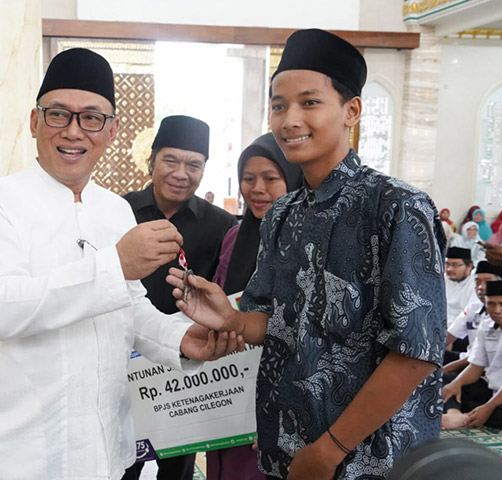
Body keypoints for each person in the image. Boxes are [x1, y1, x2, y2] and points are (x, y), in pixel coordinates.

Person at [166, 29, 446, 479]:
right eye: (279, 106)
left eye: (309, 102)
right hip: (288, 448)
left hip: (369, 458)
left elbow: (415, 351)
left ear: (351, 110)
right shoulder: (282, 214)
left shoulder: (396, 206)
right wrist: (232, 318)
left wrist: (330, 449)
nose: (289, 120)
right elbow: (276, 323)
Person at [0, 48, 239, 479]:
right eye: (58, 114)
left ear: (111, 131)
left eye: (91, 118)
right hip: (26, 451)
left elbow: (130, 308)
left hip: (104, 447)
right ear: (34, 122)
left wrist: (181, 339)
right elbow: (1, 309)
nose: (73, 131)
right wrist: (116, 264)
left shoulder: (114, 210)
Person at [121, 115, 236, 480]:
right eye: (170, 160)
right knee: (121, 462)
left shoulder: (222, 225)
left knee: (178, 468)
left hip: (184, 367)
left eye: (193, 165)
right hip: (123, 361)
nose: (181, 173)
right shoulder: (119, 211)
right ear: (152, 160)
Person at [208, 132, 303, 480]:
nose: (257, 189)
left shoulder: (308, 242)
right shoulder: (235, 236)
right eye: (248, 179)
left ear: (292, 179)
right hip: (227, 384)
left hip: (280, 394)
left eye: (270, 178)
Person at [442, 280, 502, 431]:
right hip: (491, 388)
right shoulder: (486, 325)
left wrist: (488, 407)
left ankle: (464, 417)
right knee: (447, 380)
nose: (497, 310)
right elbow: (475, 367)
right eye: (491, 304)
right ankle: (454, 413)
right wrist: (457, 383)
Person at [444, 261, 502, 366]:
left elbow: (481, 359)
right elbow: (448, 337)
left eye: (487, 281)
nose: (481, 287)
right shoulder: (474, 307)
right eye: (477, 282)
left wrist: (446, 370)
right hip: (467, 359)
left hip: (485, 366)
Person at [444, 247, 477, 329]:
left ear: (469, 266)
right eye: (447, 264)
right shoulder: (442, 280)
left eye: (455, 265)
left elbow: (470, 314)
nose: (449, 269)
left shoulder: (476, 283)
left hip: (463, 330)